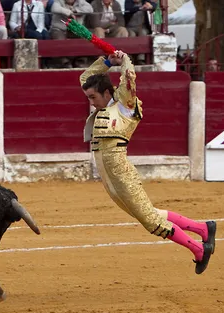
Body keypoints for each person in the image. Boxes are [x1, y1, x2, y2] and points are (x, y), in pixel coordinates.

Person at [79, 50, 216, 274]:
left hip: (120, 172)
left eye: (94, 98)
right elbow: (85, 79)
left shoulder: (125, 103)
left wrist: (124, 61)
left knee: (150, 220)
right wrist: (106, 62)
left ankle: (199, 250)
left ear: (106, 93)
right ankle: (203, 228)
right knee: (145, 212)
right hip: (108, 173)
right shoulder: (104, 102)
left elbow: (129, 77)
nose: (92, 104)